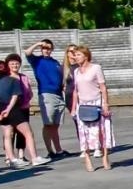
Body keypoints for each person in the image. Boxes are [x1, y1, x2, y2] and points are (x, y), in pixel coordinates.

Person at [0, 59, 46, 167]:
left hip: (0, 109)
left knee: (7, 135)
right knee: (28, 133)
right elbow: (15, 96)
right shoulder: (13, 80)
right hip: (14, 109)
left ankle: (12, 160)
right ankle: (34, 158)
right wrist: (9, 109)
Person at [67, 43, 113, 171]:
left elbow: (103, 87)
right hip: (83, 105)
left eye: (78, 55)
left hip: (97, 103)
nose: (76, 57)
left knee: (102, 132)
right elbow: (75, 90)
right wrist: (73, 108)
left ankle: (105, 157)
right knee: (83, 133)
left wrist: (105, 104)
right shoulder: (76, 71)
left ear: (86, 56)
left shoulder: (96, 68)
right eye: (75, 55)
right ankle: (87, 158)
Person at [26, 38, 70, 158]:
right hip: (46, 94)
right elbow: (27, 52)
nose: (46, 50)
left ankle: (59, 150)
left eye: (48, 48)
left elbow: (62, 76)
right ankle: (50, 151)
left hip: (59, 95)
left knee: (56, 125)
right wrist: (38, 43)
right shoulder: (37, 60)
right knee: (48, 124)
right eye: (44, 48)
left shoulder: (55, 62)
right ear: (41, 49)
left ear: (52, 50)